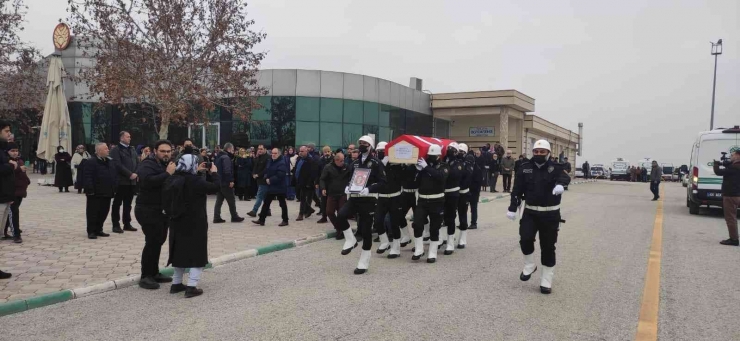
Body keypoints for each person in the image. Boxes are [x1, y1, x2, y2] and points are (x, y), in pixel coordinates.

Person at [507, 139, 570, 294]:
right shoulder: (525, 167)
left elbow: (565, 177)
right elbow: (517, 189)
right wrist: (512, 208)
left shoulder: (556, 168)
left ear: (548, 153)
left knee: (548, 246)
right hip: (530, 212)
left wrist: (561, 185)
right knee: (525, 239)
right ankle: (529, 265)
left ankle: (546, 279)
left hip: (550, 213)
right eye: (536, 151)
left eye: (542, 152)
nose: (539, 154)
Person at [166, 155, 220, 298]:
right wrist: (213, 173)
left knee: (179, 251)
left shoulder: (174, 179)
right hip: (195, 222)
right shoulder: (196, 181)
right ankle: (191, 286)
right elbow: (216, 187)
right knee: (197, 252)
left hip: (177, 221)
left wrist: (197, 170)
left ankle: (176, 283)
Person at [336, 135, 386, 274]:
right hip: (354, 198)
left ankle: (364, 261)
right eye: (360, 143)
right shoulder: (355, 163)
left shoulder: (376, 163)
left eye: (364, 143)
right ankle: (351, 240)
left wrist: (369, 189)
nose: (362, 145)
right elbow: (350, 178)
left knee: (365, 231)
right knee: (340, 216)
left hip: (368, 200)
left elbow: (383, 182)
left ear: (370, 146)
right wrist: (347, 186)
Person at [135, 140, 176, 289]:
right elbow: (148, 182)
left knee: (159, 240)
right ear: (155, 151)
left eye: (168, 151)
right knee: (152, 241)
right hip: (147, 209)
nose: (166, 154)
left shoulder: (167, 165)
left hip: (161, 210)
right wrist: (167, 174)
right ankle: (145, 276)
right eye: (163, 151)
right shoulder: (147, 164)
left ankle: (154, 272)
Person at [411, 144, 448, 263]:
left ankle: (432, 252)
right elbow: (414, 183)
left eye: (433, 155)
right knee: (417, 224)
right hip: (422, 200)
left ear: (438, 156)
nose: (431, 157)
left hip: (437, 200)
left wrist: (426, 168)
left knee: (434, 227)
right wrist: (417, 171)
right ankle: (419, 248)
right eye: (429, 155)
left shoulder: (443, 166)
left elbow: (441, 177)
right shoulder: (423, 166)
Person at [372, 142, 404, 258]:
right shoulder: (376, 164)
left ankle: (396, 248)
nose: (380, 153)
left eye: (383, 151)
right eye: (379, 151)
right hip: (382, 197)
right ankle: (384, 242)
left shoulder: (396, 164)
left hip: (395, 197)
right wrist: (381, 165)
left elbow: (399, 178)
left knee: (394, 223)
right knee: (378, 220)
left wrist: (388, 165)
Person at [84, 143, 118, 239]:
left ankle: (99, 229)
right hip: (95, 193)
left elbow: (114, 174)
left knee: (104, 211)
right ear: (99, 151)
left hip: (107, 191)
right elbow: (87, 176)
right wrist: (90, 190)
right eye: (106, 148)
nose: (108, 150)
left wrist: (114, 187)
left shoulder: (109, 161)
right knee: (93, 212)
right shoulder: (91, 162)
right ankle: (91, 231)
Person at [110, 131, 139, 233]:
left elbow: (137, 162)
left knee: (128, 204)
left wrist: (136, 173)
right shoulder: (116, 150)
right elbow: (117, 165)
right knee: (117, 204)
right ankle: (116, 225)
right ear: (122, 138)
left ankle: (127, 223)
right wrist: (129, 174)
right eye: (128, 137)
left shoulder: (132, 149)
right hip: (121, 181)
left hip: (131, 182)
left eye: (130, 137)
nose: (130, 138)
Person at [252, 148, 290, 227]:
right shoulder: (270, 161)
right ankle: (261, 220)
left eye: (275, 153)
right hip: (271, 187)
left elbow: (280, 175)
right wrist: (266, 178)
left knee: (282, 204)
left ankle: (285, 220)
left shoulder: (281, 163)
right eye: (272, 153)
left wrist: (271, 180)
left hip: (280, 187)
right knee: (266, 203)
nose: (273, 154)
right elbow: (267, 171)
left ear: (279, 154)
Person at [3, 143, 30, 243]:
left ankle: (5, 231)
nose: (15, 153)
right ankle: (16, 234)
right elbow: (7, 172)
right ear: (7, 152)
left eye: (16, 150)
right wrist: (19, 168)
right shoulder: (6, 162)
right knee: (13, 212)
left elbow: (23, 175)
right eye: (12, 151)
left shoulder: (20, 160)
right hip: (11, 191)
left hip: (21, 191)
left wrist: (27, 181)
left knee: (11, 211)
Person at [320, 152, 350, 239]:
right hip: (332, 193)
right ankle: (339, 228)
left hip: (343, 194)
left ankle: (341, 231)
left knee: (341, 213)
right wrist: (323, 188)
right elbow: (322, 179)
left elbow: (351, 176)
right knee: (329, 212)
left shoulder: (346, 167)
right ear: (336, 160)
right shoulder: (328, 167)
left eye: (343, 160)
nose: (343, 162)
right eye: (341, 161)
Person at [713, 150, 740, 246]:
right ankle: (734, 237)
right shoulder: (735, 167)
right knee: (733, 217)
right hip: (736, 195)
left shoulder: (734, 167)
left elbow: (718, 172)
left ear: (737, 156)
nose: (731, 157)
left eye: (732, 155)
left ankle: (734, 239)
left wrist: (715, 164)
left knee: (730, 218)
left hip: (730, 196)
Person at [213, 143, 244, 223]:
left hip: (219, 182)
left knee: (219, 201)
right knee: (231, 200)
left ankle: (216, 217)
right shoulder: (226, 158)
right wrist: (230, 180)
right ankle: (234, 216)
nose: (233, 152)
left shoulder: (219, 157)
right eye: (233, 150)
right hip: (225, 182)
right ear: (229, 149)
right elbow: (227, 171)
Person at [0, 121, 15, 279]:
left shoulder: (3, 150)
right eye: (6, 131)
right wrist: (10, 166)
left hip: (5, 197)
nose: (8, 134)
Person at [441, 142, 462, 255]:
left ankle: (450, 242)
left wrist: (444, 169)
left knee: (450, 218)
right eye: (448, 148)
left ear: (456, 152)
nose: (449, 150)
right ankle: (442, 238)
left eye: (452, 149)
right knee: (441, 217)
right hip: (443, 193)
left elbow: (453, 175)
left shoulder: (458, 163)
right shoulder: (444, 160)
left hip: (453, 193)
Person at [454, 143, 474, 249]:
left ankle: (462, 238)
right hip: (453, 192)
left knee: (462, 215)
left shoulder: (468, 163)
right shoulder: (454, 161)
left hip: (463, 192)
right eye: (458, 152)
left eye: (462, 152)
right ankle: (449, 236)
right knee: (450, 215)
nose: (459, 154)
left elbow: (467, 176)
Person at [295, 146, 319, 221]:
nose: (300, 152)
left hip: (307, 182)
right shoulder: (299, 159)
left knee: (303, 198)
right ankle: (310, 209)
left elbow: (313, 172)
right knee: (303, 197)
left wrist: (310, 182)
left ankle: (301, 213)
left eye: (302, 151)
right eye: (300, 151)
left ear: (306, 151)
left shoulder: (310, 160)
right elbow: (297, 169)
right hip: (299, 181)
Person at [247, 145, 269, 218]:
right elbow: (255, 167)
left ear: (265, 149)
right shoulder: (258, 157)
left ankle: (254, 211)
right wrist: (253, 174)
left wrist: (258, 175)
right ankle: (267, 210)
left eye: (261, 149)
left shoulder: (268, 158)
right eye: (258, 149)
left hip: (264, 180)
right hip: (258, 180)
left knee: (259, 195)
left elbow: (266, 169)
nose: (259, 150)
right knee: (264, 196)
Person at [317, 146, 334, 223]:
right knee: (323, 201)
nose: (327, 153)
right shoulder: (320, 160)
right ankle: (324, 216)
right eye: (325, 152)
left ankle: (334, 216)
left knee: (332, 201)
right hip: (323, 182)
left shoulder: (333, 160)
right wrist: (317, 182)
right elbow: (317, 172)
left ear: (330, 151)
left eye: (328, 151)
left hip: (332, 183)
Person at [469, 149, 485, 229]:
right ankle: (464, 222)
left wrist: (473, 190)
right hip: (468, 191)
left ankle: (474, 223)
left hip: (474, 192)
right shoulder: (469, 168)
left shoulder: (477, 169)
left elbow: (478, 182)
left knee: (473, 208)